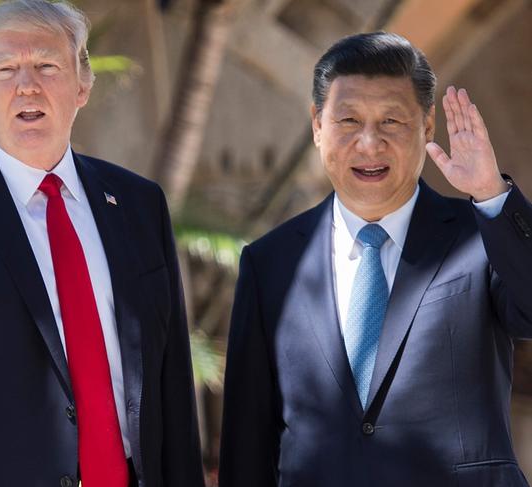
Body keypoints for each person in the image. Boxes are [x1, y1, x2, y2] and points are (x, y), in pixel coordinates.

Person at [0, 1, 205, 486]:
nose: (27, 84)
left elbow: (171, 386)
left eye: (47, 65)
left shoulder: (139, 204)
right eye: (6, 68)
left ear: (82, 85)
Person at [219, 31, 532, 487]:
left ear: (426, 128)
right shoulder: (270, 263)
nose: (369, 143)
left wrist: (490, 196)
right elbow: (248, 444)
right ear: (317, 125)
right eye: (348, 120)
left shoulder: (481, 235)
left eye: (391, 122)